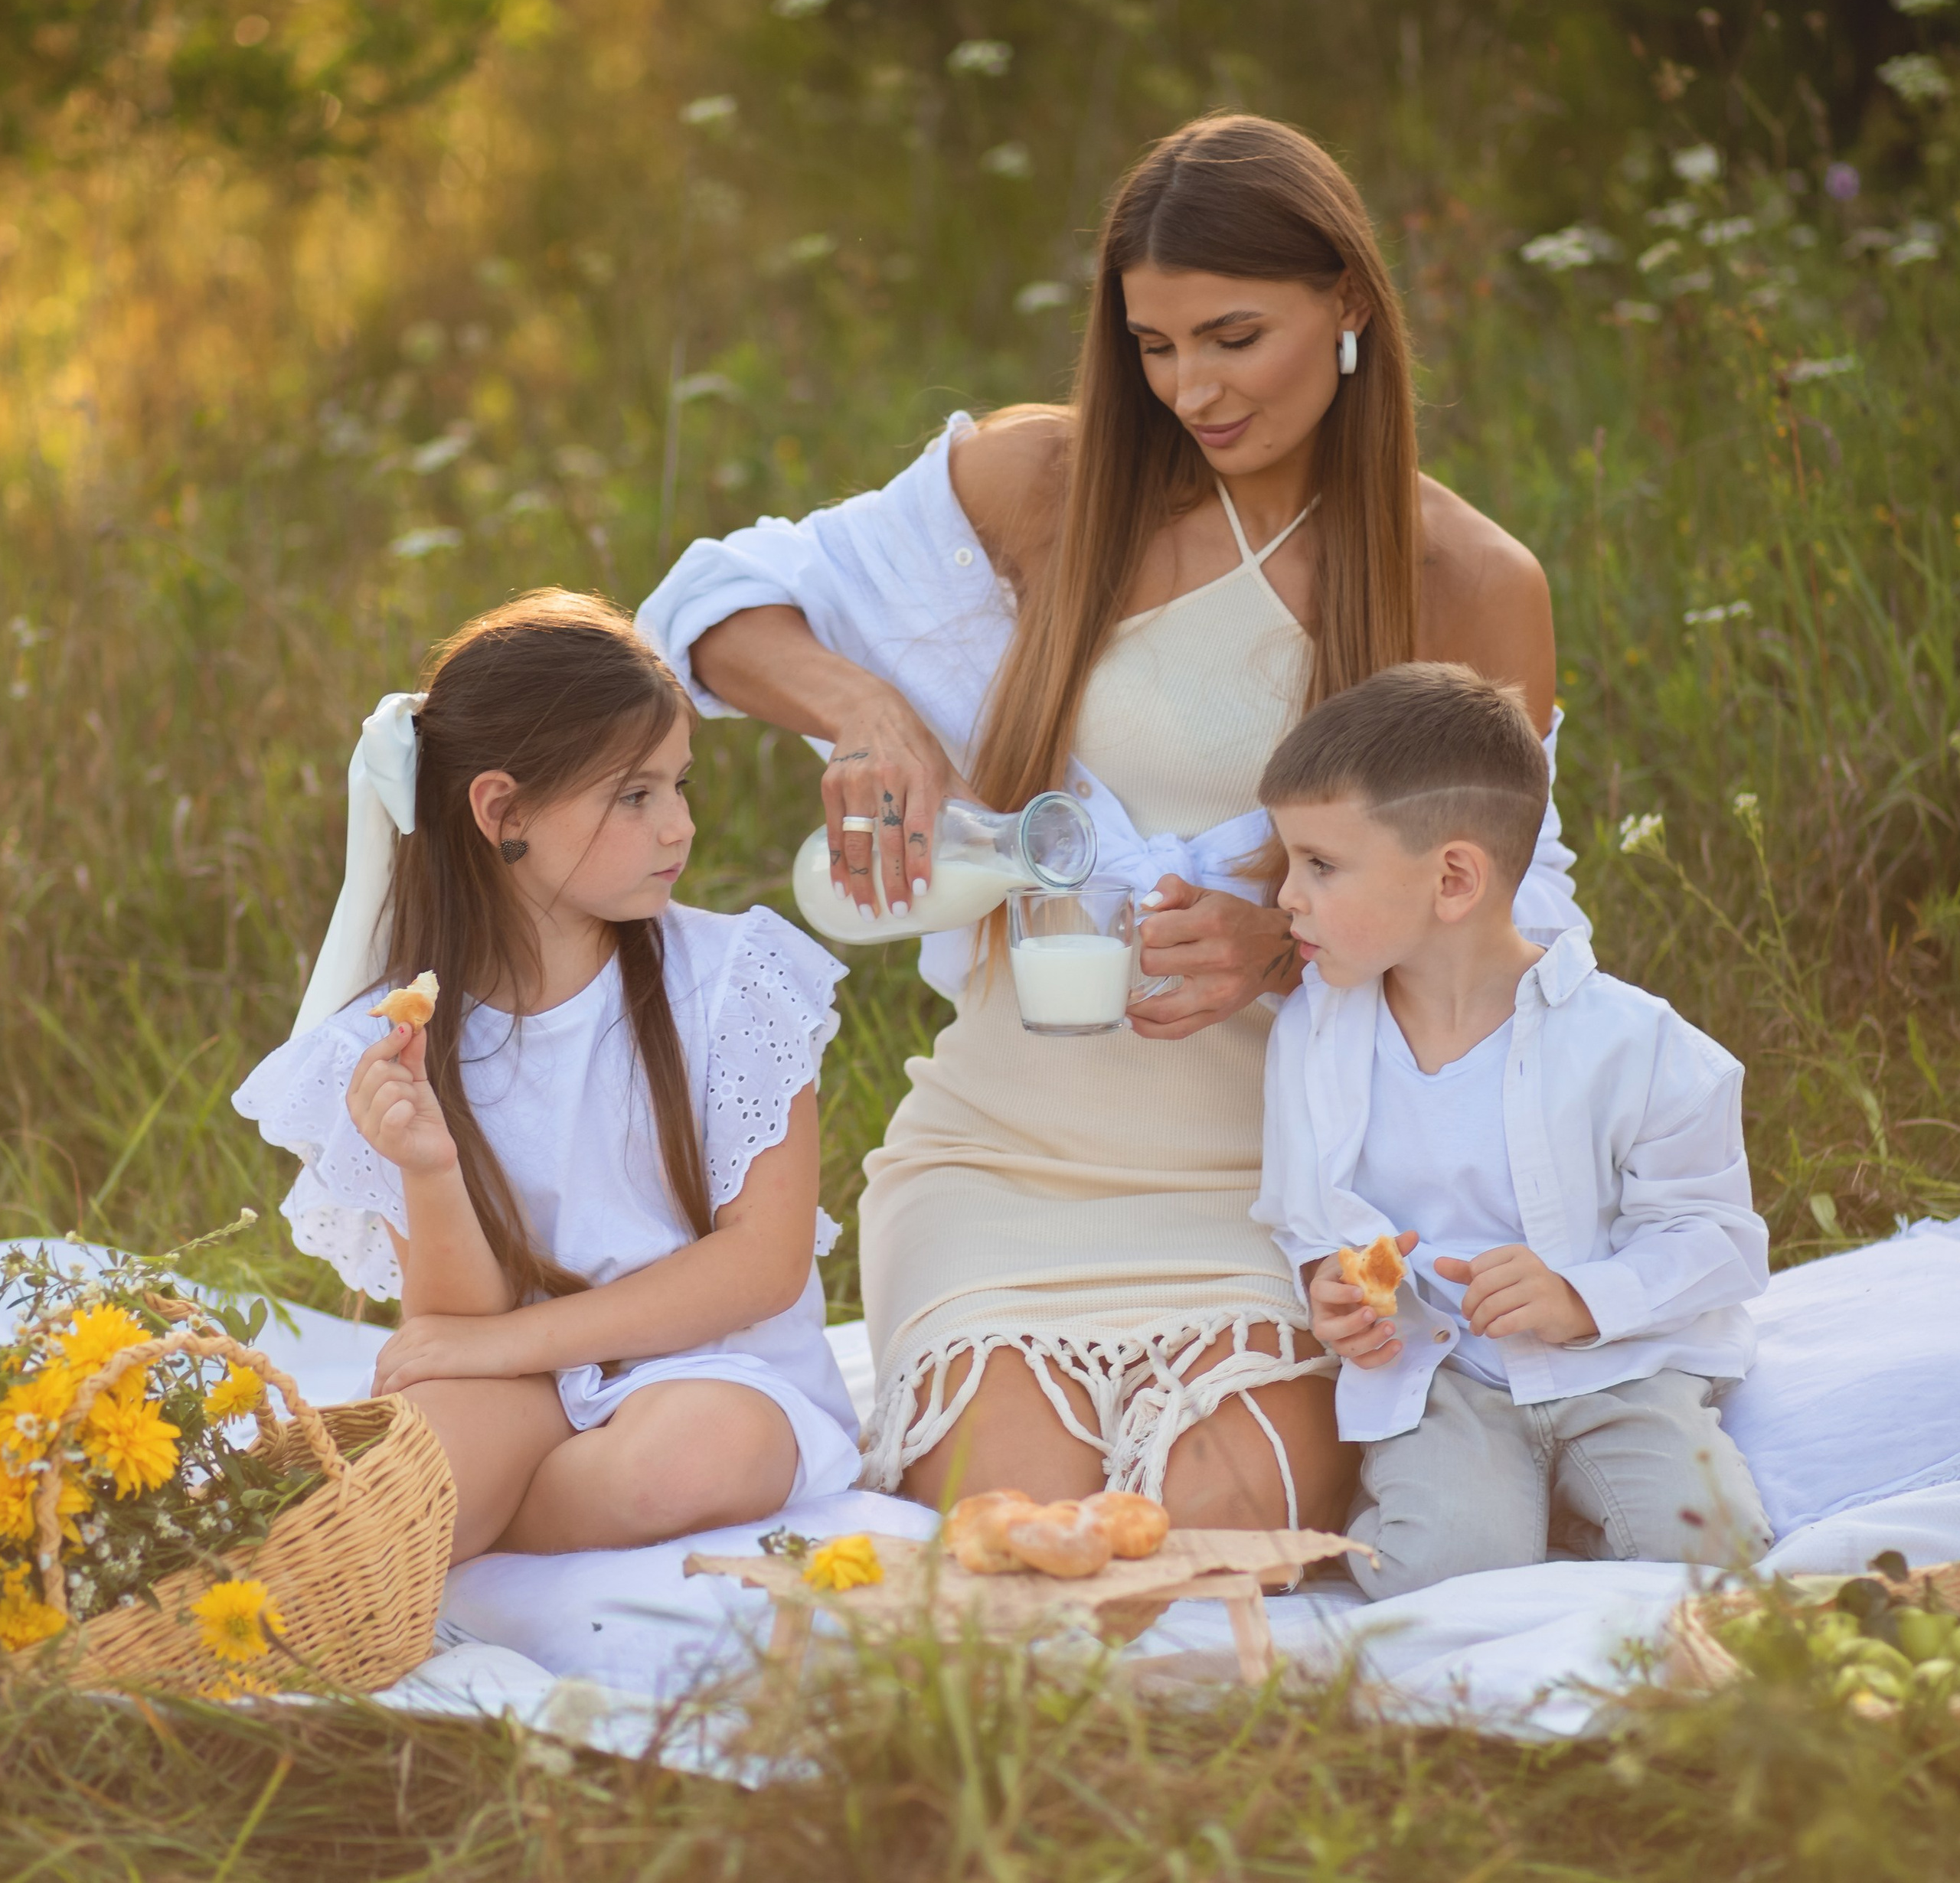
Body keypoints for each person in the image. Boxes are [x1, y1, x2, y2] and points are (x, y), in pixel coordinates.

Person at [639, 113, 1587, 1531]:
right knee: (1018, 1521)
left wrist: (1292, 942)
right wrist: (866, 710)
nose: (1192, 388)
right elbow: (709, 603)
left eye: (1234, 337)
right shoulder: (1053, 484)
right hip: (1003, 1155)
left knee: (1217, 1514)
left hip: (1291, 1193)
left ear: (1347, 302)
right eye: (1155, 346)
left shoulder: (1468, 582)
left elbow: (1507, 936)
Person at [234, 590, 860, 1562]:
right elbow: (452, 1323)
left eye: (679, 785)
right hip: (521, 1384)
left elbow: (762, 1265)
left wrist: (500, 1348)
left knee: (684, 1461)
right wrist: (429, 1169)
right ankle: (416, 1536)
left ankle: (488, 1530)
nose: (679, 827)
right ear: (502, 810)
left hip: (707, 1366)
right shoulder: (397, 1038)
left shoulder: (734, 979)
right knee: (414, 1472)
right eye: (635, 796)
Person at [1253, 662, 1773, 1597]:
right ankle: (1513, 1512)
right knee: (1433, 1572)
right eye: (1289, 862)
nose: (1286, 895)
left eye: (1319, 866)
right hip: (1446, 1377)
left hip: (1622, 1369)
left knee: (1710, 1549)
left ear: (1453, 878)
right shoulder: (1313, 1038)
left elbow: (1716, 1236)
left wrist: (1580, 1297)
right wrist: (1328, 1282)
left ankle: (1575, 1506)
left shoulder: (1637, 1044)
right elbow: (1305, 1215)